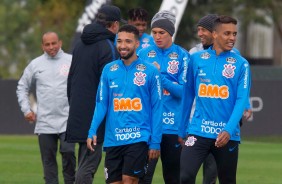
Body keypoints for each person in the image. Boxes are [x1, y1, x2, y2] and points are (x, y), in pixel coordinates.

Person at [179, 15, 251, 184]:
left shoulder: (242, 64)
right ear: (215, 34)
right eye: (227, 33)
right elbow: (188, 95)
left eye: (234, 34)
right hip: (198, 130)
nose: (232, 38)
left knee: (227, 180)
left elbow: (241, 100)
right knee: (185, 176)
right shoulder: (196, 59)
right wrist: (182, 128)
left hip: (226, 134)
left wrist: (228, 129)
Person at [87, 24, 162, 184]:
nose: (122, 46)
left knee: (129, 180)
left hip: (138, 137)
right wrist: (92, 130)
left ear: (137, 44)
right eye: (119, 41)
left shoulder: (150, 71)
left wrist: (155, 141)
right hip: (113, 139)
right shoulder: (109, 69)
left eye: (128, 42)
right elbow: (101, 103)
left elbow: (157, 107)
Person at [65, 5, 123, 184]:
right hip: (96, 115)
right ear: (114, 25)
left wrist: (74, 104)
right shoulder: (108, 46)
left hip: (78, 111)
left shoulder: (79, 44)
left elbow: (70, 79)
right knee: (89, 165)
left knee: (84, 161)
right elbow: (112, 85)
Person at [16, 31, 76, 184]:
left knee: (69, 153)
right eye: (47, 44)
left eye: (54, 43)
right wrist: (26, 109)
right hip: (44, 123)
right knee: (48, 162)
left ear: (60, 43)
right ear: (42, 46)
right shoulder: (35, 64)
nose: (51, 47)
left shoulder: (71, 60)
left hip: (68, 120)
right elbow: (22, 86)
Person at [138, 10, 189, 184]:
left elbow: (183, 92)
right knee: (143, 177)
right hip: (148, 126)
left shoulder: (183, 56)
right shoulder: (143, 54)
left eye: (162, 33)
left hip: (173, 127)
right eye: (154, 33)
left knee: (173, 178)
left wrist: (160, 75)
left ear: (171, 34)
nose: (157, 37)